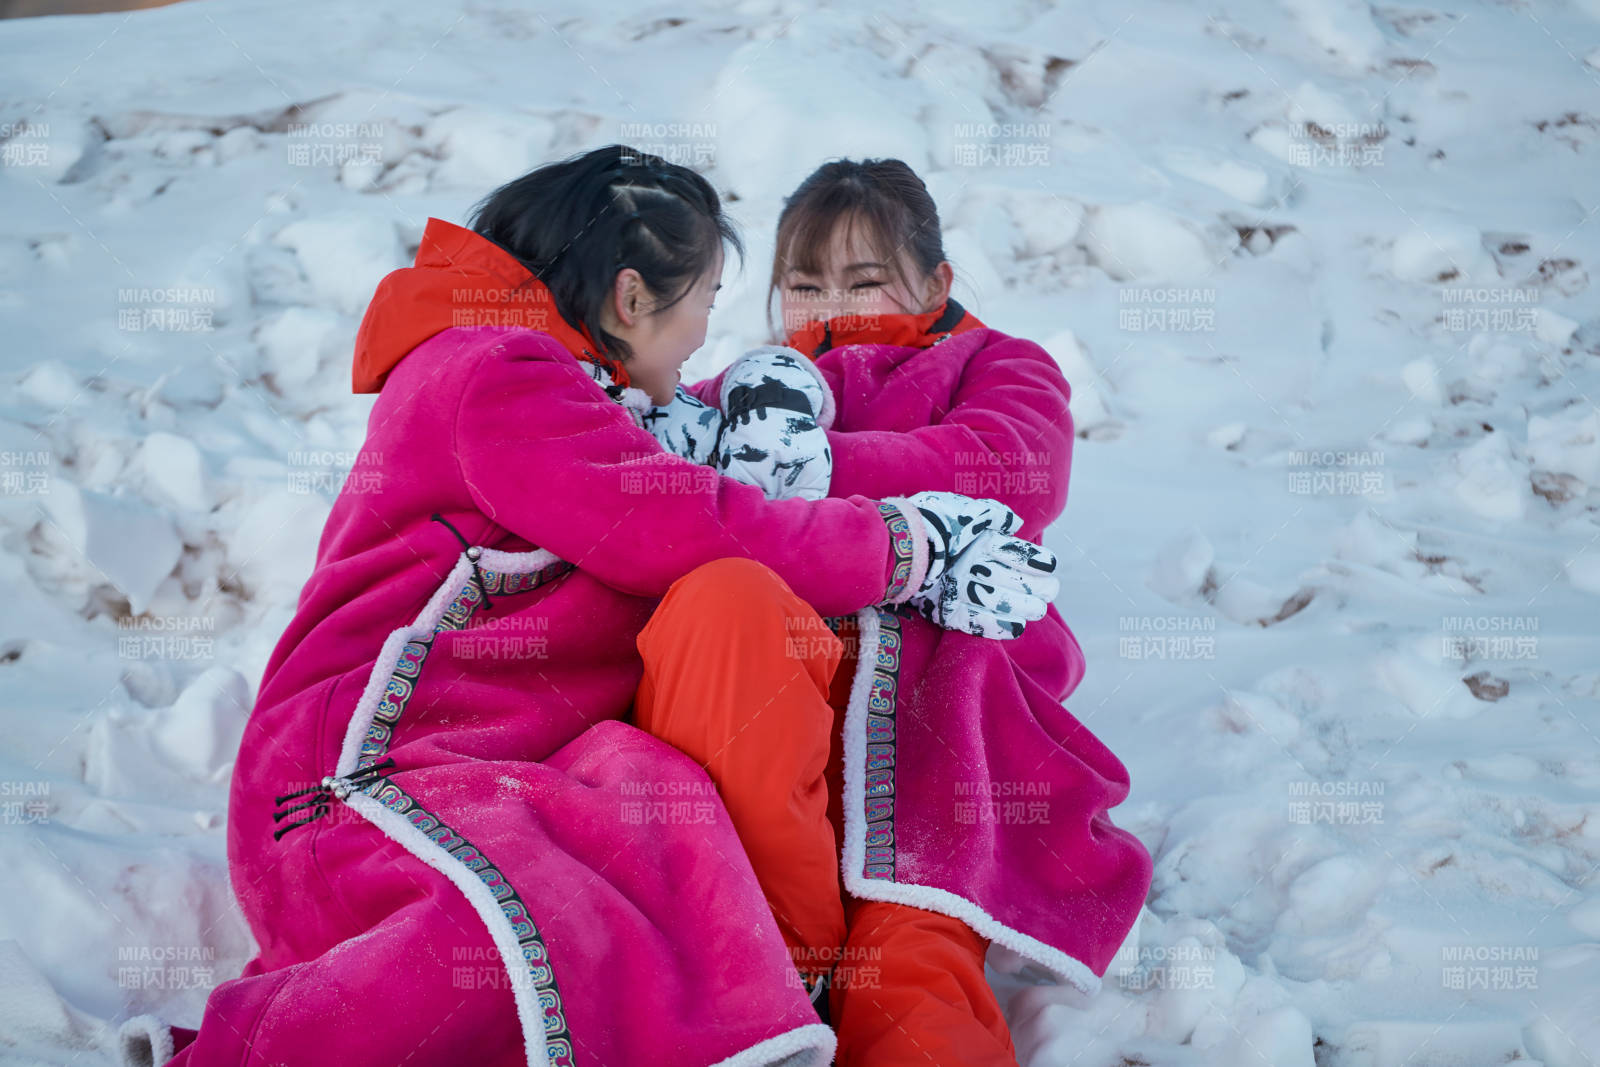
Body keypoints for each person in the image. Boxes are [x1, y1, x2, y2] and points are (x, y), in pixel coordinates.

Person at [114, 145, 1055, 1067]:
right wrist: (908, 544)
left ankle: (768, 994)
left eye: (865, 281)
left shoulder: (582, 391)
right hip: (352, 794)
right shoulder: (495, 375)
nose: (706, 336)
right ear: (632, 298)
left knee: (659, 861)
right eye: (708, 300)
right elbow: (688, 525)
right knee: (551, 919)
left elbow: (1008, 463)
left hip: (504, 772)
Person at [652, 157, 1156, 1066]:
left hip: (940, 714)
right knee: (740, 930)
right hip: (778, 711)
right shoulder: (746, 388)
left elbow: (1007, 468)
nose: (832, 305)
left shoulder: (996, 363)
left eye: (865, 280)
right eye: (805, 283)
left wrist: (813, 470)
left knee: (912, 950)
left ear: (935, 282)